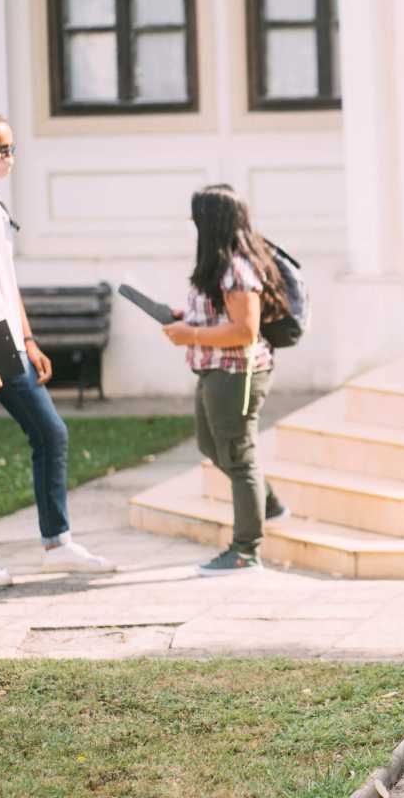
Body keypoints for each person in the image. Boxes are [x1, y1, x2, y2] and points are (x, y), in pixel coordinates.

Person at [0, 110, 114, 586]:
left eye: (12, 149)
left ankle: (57, 544)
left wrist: (28, 339)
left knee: (51, 433)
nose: (10, 159)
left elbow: (6, 283)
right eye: (3, 150)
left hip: (5, 338)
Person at [162, 184, 289, 576]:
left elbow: (245, 331)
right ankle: (267, 505)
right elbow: (224, 317)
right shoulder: (218, 265)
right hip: (214, 368)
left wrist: (190, 334)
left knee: (238, 455)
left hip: (236, 373)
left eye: (196, 217)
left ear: (211, 222)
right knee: (210, 444)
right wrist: (187, 318)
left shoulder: (237, 269)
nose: (191, 223)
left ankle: (245, 551)